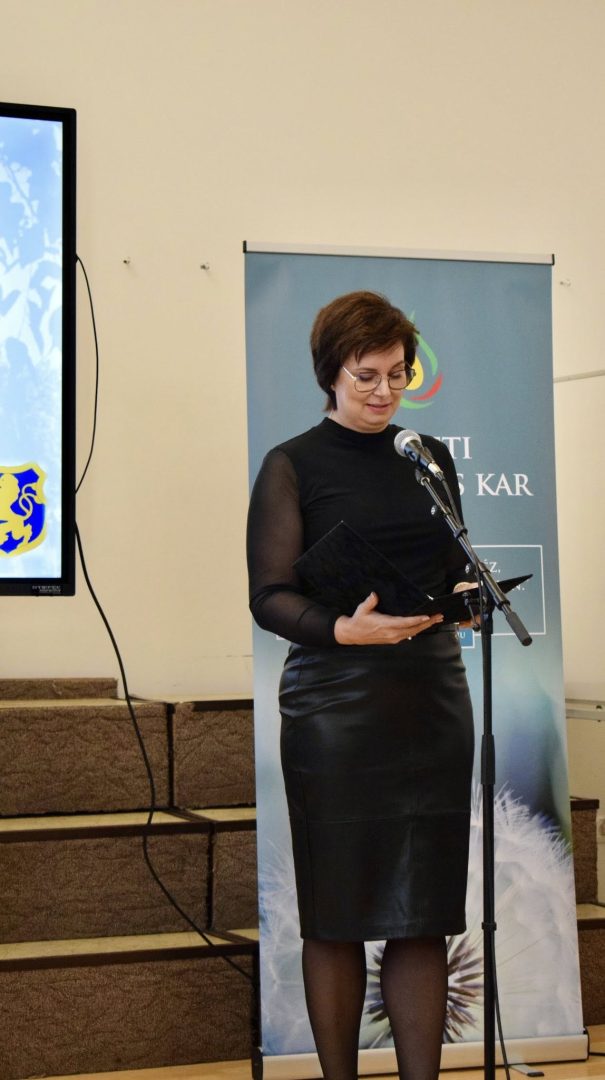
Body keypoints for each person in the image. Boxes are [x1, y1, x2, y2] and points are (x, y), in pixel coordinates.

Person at [246, 291, 475, 1080]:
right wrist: (344, 629)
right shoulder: (292, 464)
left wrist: (466, 598)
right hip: (335, 709)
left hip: (430, 699)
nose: (384, 391)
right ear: (330, 374)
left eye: (397, 374)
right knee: (338, 915)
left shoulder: (426, 454)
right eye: (366, 375)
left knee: (423, 915)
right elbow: (269, 596)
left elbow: (452, 563)